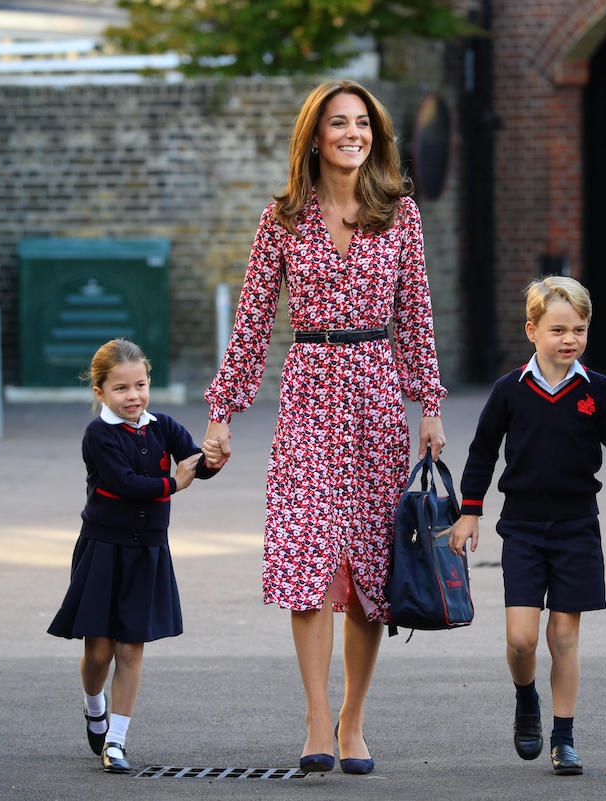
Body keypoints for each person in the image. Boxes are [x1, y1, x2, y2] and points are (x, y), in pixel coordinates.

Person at [200, 79, 447, 776]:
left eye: (362, 124)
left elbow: (417, 318)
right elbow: (250, 325)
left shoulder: (399, 215)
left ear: (376, 134)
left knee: (370, 564)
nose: (352, 134)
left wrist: (428, 402)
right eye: (338, 123)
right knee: (308, 558)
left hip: (374, 396)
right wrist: (223, 412)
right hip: (308, 392)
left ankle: (353, 721)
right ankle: (315, 716)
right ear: (315, 134)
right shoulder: (280, 220)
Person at [449, 276, 606, 776]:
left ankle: (564, 738)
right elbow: (483, 452)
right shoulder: (510, 390)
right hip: (522, 529)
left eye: (580, 330)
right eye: (558, 329)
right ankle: (527, 700)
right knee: (522, 639)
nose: (569, 340)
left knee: (564, 636)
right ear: (532, 330)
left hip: (576, 529)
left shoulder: (598, 390)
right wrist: (469, 512)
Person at [47, 338, 217, 774]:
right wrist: (173, 484)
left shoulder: (163, 425)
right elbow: (124, 484)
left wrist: (213, 459)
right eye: (121, 388)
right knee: (99, 652)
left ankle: (116, 742)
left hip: (148, 552)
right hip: (103, 549)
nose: (134, 396)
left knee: (132, 648)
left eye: (140, 385)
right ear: (100, 392)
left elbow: (193, 458)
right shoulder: (98, 435)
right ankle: (93, 705)